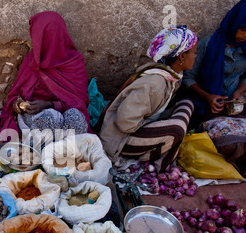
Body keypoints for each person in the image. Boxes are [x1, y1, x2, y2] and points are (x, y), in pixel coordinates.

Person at [97, 25, 198, 172]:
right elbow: (125, 122)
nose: (196, 56)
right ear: (182, 56)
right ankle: (160, 169)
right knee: (176, 130)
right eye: (194, 53)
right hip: (120, 139)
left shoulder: (169, 76)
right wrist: (155, 125)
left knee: (187, 103)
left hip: (133, 127)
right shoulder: (155, 83)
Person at [0, 11, 91, 146]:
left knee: (76, 117)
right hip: (34, 119)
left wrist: (50, 105)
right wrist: (19, 105)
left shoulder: (74, 61)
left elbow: (79, 103)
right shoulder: (32, 60)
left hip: (63, 115)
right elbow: (14, 96)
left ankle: (62, 153)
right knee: (49, 119)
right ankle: (43, 154)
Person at [182, 0, 246, 175]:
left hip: (235, 109)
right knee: (232, 143)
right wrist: (207, 97)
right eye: (243, 29)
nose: (245, 36)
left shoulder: (245, 49)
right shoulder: (207, 44)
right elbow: (187, 77)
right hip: (206, 108)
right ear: (234, 23)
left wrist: (239, 91)